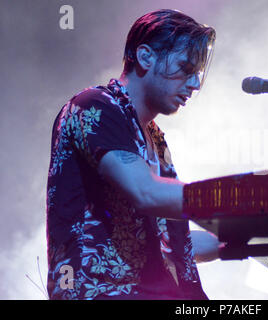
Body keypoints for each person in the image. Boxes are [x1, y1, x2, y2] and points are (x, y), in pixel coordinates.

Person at [46, 9, 217, 300]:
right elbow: (146, 193)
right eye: (186, 69)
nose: (195, 84)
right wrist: (235, 200)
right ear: (145, 57)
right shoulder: (95, 107)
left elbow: (170, 242)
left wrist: (243, 236)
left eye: (197, 74)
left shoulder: (154, 137)